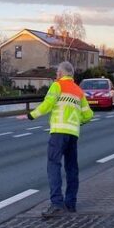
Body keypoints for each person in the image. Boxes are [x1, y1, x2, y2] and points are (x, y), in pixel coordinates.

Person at [24, 61, 93, 217]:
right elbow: (89, 114)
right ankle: (71, 204)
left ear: (61, 74)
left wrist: (31, 116)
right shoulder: (78, 90)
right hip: (73, 134)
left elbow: (47, 104)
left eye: (57, 74)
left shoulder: (57, 86)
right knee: (71, 169)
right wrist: (77, 122)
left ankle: (56, 203)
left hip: (58, 133)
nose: (56, 76)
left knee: (53, 166)